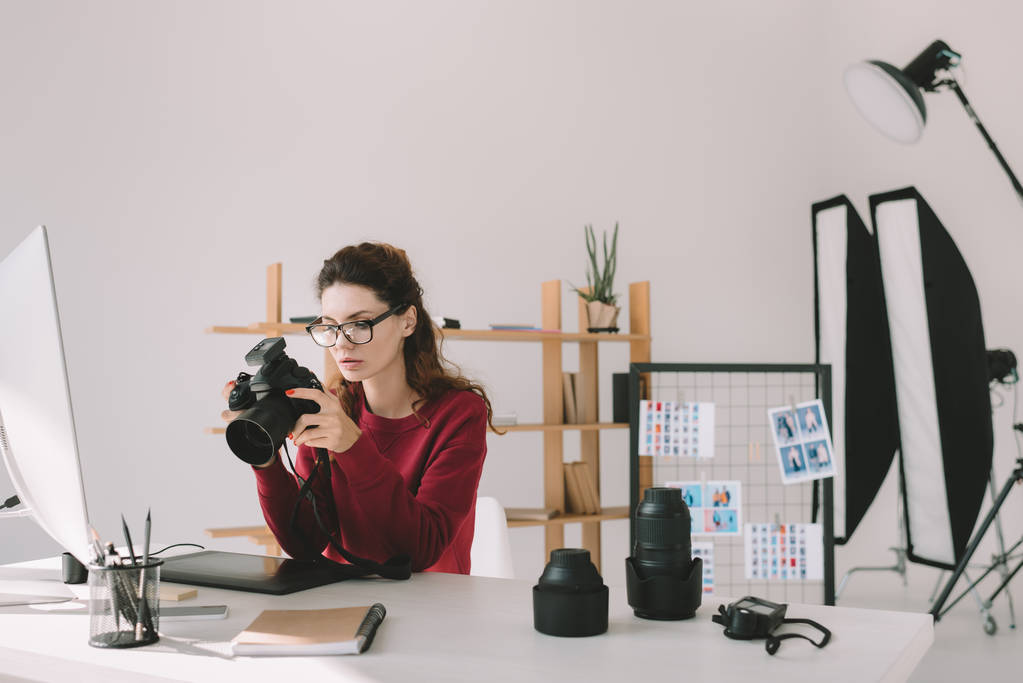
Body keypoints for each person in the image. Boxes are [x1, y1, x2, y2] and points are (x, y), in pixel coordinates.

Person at [221, 242, 500, 574]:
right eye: (329, 326)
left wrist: (352, 446)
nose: (341, 342)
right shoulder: (330, 405)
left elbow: (421, 550)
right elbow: (303, 543)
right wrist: (265, 459)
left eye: (360, 324)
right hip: (344, 606)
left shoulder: (459, 413)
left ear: (408, 321)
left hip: (432, 610)